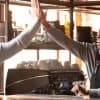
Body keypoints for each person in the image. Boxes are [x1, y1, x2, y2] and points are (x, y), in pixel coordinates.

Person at [31, 0, 100, 98]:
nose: (98, 37)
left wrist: (89, 92)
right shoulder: (90, 52)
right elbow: (66, 42)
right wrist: (45, 24)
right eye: (98, 35)